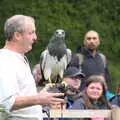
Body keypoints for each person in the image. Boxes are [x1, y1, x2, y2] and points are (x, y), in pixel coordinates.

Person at [0, 15, 64, 120]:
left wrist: (41, 95)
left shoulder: (18, 58)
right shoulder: (5, 60)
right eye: (31, 33)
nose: (35, 37)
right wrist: (38, 99)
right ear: (17, 35)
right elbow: (5, 103)